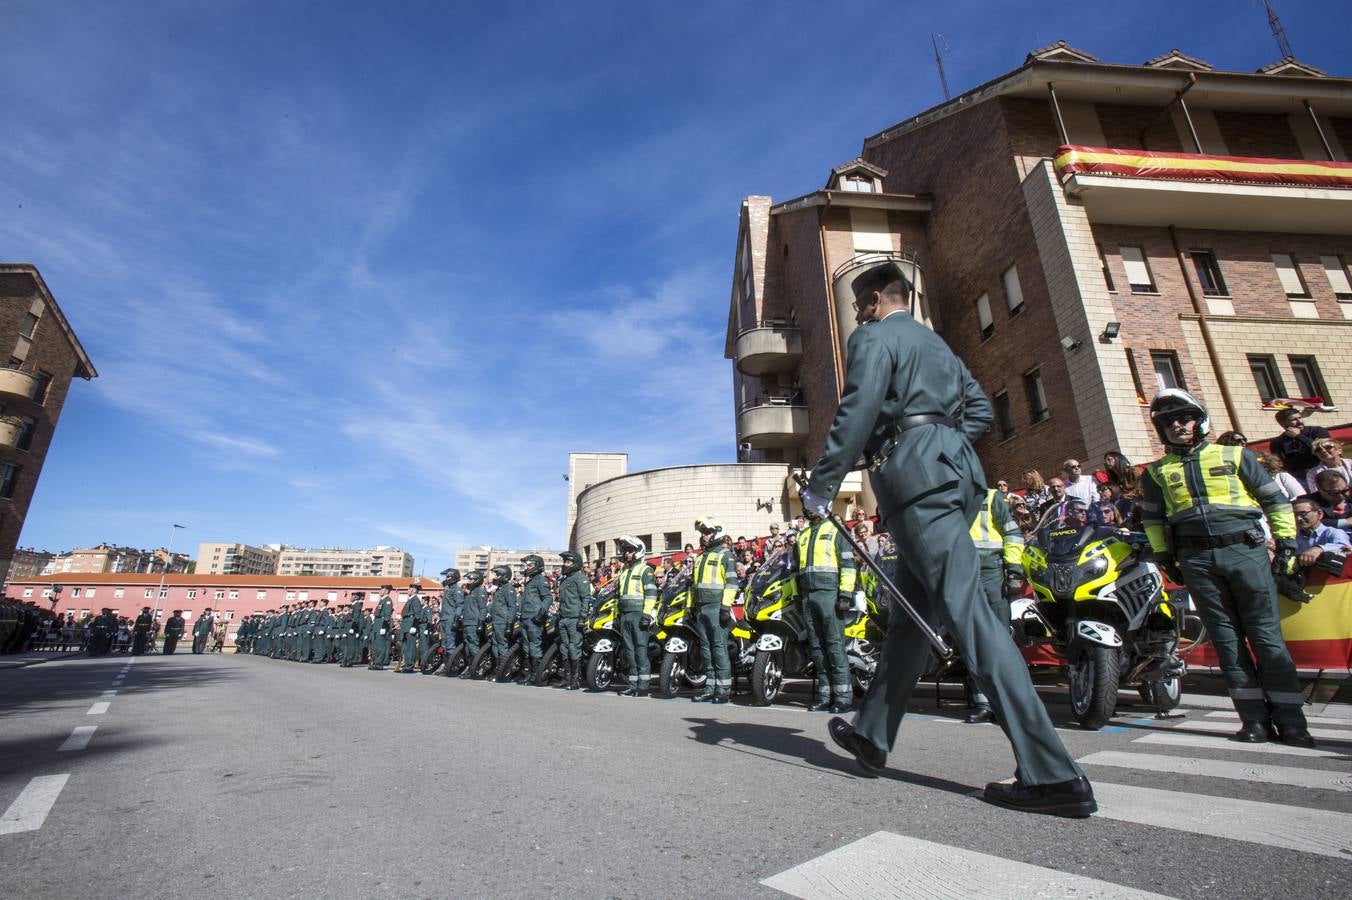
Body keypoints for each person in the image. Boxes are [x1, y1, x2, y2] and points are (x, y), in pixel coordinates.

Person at [799, 256, 1093, 817]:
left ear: (875, 300)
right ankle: (872, 733)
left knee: (969, 617)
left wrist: (824, 484)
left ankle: (1052, 772)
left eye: (861, 305)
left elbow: (856, 408)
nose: (859, 314)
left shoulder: (873, 339)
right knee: (913, 616)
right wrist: (942, 440)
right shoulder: (939, 349)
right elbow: (979, 410)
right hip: (950, 477)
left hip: (915, 484)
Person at [1141, 389, 1313, 747]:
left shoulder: (1236, 455)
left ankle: (1292, 723)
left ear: (1198, 421)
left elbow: (1275, 500)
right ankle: (1253, 721)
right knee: (1227, 642)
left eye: (1184, 418)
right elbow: (1154, 520)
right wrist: (1162, 556)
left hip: (1244, 550)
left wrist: (1286, 544)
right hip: (1197, 559)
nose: (1176, 425)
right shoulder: (1155, 472)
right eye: (1167, 422)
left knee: (1266, 639)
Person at [964, 487, 1026, 724]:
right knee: (974, 639)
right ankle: (982, 701)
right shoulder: (951, 494)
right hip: (964, 571)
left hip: (991, 571)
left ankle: (1008, 702)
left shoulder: (992, 497)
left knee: (1000, 638)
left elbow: (1012, 534)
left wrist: (1014, 570)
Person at [793, 503, 856, 714]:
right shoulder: (802, 535)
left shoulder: (836, 530)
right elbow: (795, 570)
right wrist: (796, 596)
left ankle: (844, 697)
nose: (809, 509)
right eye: (807, 506)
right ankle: (825, 695)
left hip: (830, 594)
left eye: (813, 505)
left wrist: (845, 594)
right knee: (817, 648)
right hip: (807, 596)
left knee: (834, 645)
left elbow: (848, 564)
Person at [689, 519, 739, 704]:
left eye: (707, 532)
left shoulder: (726, 554)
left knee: (718, 647)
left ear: (717, 533)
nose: (703, 536)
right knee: (705, 649)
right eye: (702, 533)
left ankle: (723, 689)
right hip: (701, 608)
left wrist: (725, 606)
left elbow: (732, 583)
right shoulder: (700, 557)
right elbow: (693, 586)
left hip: (717, 607)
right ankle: (710, 688)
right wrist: (690, 608)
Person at [613, 536, 658, 697]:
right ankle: (633, 684)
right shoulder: (624, 571)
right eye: (625, 551)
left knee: (640, 650)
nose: (626, 554)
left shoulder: (645, 570)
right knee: (629, 651)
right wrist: (617, 615)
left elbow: (652, 594)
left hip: (639, 615)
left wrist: (647, 614)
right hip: (625, 615)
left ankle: (643, 686)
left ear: (639, 551)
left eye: (630, 551)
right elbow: (619, 596)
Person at [556, 551, 591, 690]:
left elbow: (586, 599)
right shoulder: (564, 579)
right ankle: (567, 678)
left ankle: (575, 680)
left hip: (574, 618)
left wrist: (582, 617)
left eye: (568, 562)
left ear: (575, 563)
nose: (565, 564)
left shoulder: (580, 578)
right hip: (563, 618)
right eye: (564, 562)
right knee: (564, 648)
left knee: (574, 648)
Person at [1269, 409, 1330, 484]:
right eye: (1294, 420)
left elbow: (1324, 450)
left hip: (1323, 469)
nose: (1299, 422)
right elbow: (1280, 464)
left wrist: (1299, 436)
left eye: (1300, 418)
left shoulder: (1317, 431)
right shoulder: (1277, 442)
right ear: (1283, 423)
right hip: (1299, 478)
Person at [518, 555, 550, 685]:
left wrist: (541, 613)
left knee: (534, 645)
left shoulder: (541, 580)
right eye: (527, 565)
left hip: (534, 618)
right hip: (525, 617)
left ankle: (536, 675)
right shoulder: (530, 581)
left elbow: (548, 597)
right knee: (526, 646)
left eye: (530, 565)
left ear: (537, 566)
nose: (528, 568)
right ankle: (528, 673)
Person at [488, 565, 518, 675]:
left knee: (502, 645)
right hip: (495, 620)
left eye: (498, 575)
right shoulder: (499, 588)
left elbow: (512, 607)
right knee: (495, 645)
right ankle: (497, 668)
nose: (496, 577)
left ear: (505, 576)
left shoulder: (509, 589)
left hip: (502, 621)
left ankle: (503, 670)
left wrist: (509, 623)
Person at [459, 571, 488, 677]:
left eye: (471, 579)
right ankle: (471, 667)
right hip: (467, 622)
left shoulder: (480, 591)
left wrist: (480, 622)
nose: (469, 581)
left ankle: (476, 668)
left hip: (474, 622)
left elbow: (483, 609)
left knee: (473, 646)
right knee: (467, 646)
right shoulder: (470, 592)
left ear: (477, 580)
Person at [437, 571, 463, 677]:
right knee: (444, 644)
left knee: (450, 645)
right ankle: (446, 667)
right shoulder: (448, 590)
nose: (446, 578)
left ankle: (453, 667)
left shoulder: (457, 590)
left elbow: (460, 605)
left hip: (450, 619)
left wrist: (456, 619)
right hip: (444, 619)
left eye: (449, 577)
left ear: (454, 578)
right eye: (446, 576)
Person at [398, 584, 427, 673]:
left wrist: (414, 626)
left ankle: (409, 665)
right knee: (406, 646)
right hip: (406, 624)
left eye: (409, 589)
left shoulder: (415, 600)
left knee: (410, 647)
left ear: (414, 590)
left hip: (410, 625)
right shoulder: (410, 600)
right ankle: (406, 664)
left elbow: (417, 614)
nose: (408, 590)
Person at [369, 586, 395, 670]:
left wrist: (384, 627)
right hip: (377, 624)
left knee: (381, 645)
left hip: (381, 624)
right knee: (377, 645)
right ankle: (376, 662)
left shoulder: (387, 600)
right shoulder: (382, 600)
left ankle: (379, 663)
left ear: (386, 591)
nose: (380, 591)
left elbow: (387, 615)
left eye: (382, 590)